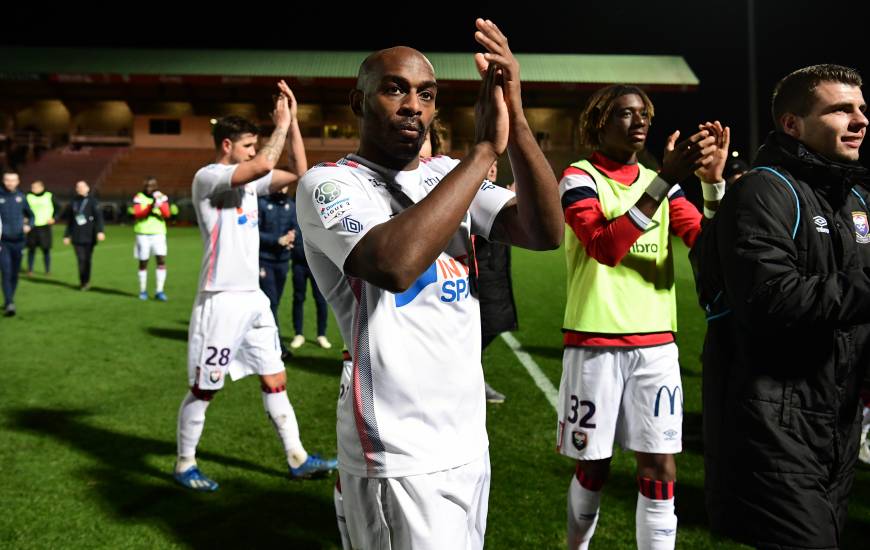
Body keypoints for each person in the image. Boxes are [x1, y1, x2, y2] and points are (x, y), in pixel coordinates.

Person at [296, 19, 563, 549]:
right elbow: (393, 265)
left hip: (466, 438)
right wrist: (485, 151)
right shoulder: (328, 184)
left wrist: (516, 117)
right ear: (359, 100)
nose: (413, 104)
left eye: (427, 94)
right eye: (395, 88)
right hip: (397, 449)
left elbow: (544, 231)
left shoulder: (444, 173)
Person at [692, 64, 870, 549]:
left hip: (838, 423)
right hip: (772, 426)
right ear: (792, 124)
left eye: (861, 109)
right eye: (840, 109)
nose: (860, 120)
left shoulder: (856, 200)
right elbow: (770, 299)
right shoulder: (762, 191)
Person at [556, 83, 728, 549]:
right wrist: (663, 179)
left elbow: (712, 249)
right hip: (594, 345)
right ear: (599, 123)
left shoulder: (665, 188)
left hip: (656, 348)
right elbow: (605, 248)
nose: (640, 122)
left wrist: (712, 183)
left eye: (645, 115)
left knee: (660, 468)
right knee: (593, 466)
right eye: (626, 114)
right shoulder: (579, 177)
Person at [174, 81, 336, 492]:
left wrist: (294, 123)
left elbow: (301, 175)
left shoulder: (248, 181)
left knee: (275, 377)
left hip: (253, 300)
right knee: (204, 388)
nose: (254, 151)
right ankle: (184, 463)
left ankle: (297, 458)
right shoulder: (209, 177)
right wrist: (279, 124)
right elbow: (262, 166)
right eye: (248, 145)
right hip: (220, 300)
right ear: (226, 145)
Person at [258, 178, 300, 361]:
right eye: (278, 184)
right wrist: (277, 240)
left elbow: (296, 228)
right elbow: (253, 232)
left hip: (283, 261)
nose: (282, 188)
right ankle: (277, 348)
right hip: (264, 261)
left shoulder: (291, 206)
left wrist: (292, 237)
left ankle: (258, 344)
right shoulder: (261, 204)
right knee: (270, 304)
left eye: (285, 184)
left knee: (272, 304)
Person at [288, 202, 332, 351]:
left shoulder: (321, 212)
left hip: (317, 264)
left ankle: (321, 334)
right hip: (298, 263)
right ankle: (298, 334)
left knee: (320, 299)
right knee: (298, 298)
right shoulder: (294, 210)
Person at [132, 176, 173, 301]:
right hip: (143, 233)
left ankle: (159, 291)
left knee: (161, 260)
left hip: (158, 233)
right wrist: (150, 207)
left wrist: (158, 203)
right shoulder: (139, 197)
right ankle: (143, 290)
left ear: (156, 186)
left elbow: (167, 214)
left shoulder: (162, 197)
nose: (149, 188)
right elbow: (138, 214)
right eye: (147, 186)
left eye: (152, 186)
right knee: (143, 261)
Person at [0, 170, 33, 316]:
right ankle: (9, 302)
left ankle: (10, 299)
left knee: (14, 273)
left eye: (13, 180)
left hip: (19, 241)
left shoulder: (21, 197)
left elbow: (31, 215)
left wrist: (28, 226)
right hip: (3, 242)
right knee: (6, 272)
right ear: (3, 180)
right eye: (7, 180)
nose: (10, 183)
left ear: (18, 182)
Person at [62, 180, 105, 291]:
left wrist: (100, 231)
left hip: (89, 235)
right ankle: (83, 282)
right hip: (77, 236)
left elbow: (98, 218)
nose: (80, 189)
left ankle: (87, 280)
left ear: (87, 188)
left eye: (82, 187)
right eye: (78, 187)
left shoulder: (93, 201)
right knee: (81, 259)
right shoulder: (73, 202)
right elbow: (70, 221)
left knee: (87, 260)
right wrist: (67, 235)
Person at [25, 179, 58, 276]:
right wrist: (24, 218)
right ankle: (30, 270)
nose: (33, 189)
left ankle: (47, 270)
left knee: (46, 250)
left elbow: (59, 208)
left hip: (45, 227)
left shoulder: (49, 195)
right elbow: (23, 209)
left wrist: (54, 218)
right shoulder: (28, 196)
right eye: (32, 187)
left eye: (35, 187)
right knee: (31, 250)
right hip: (32, 227)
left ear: (41, 187)